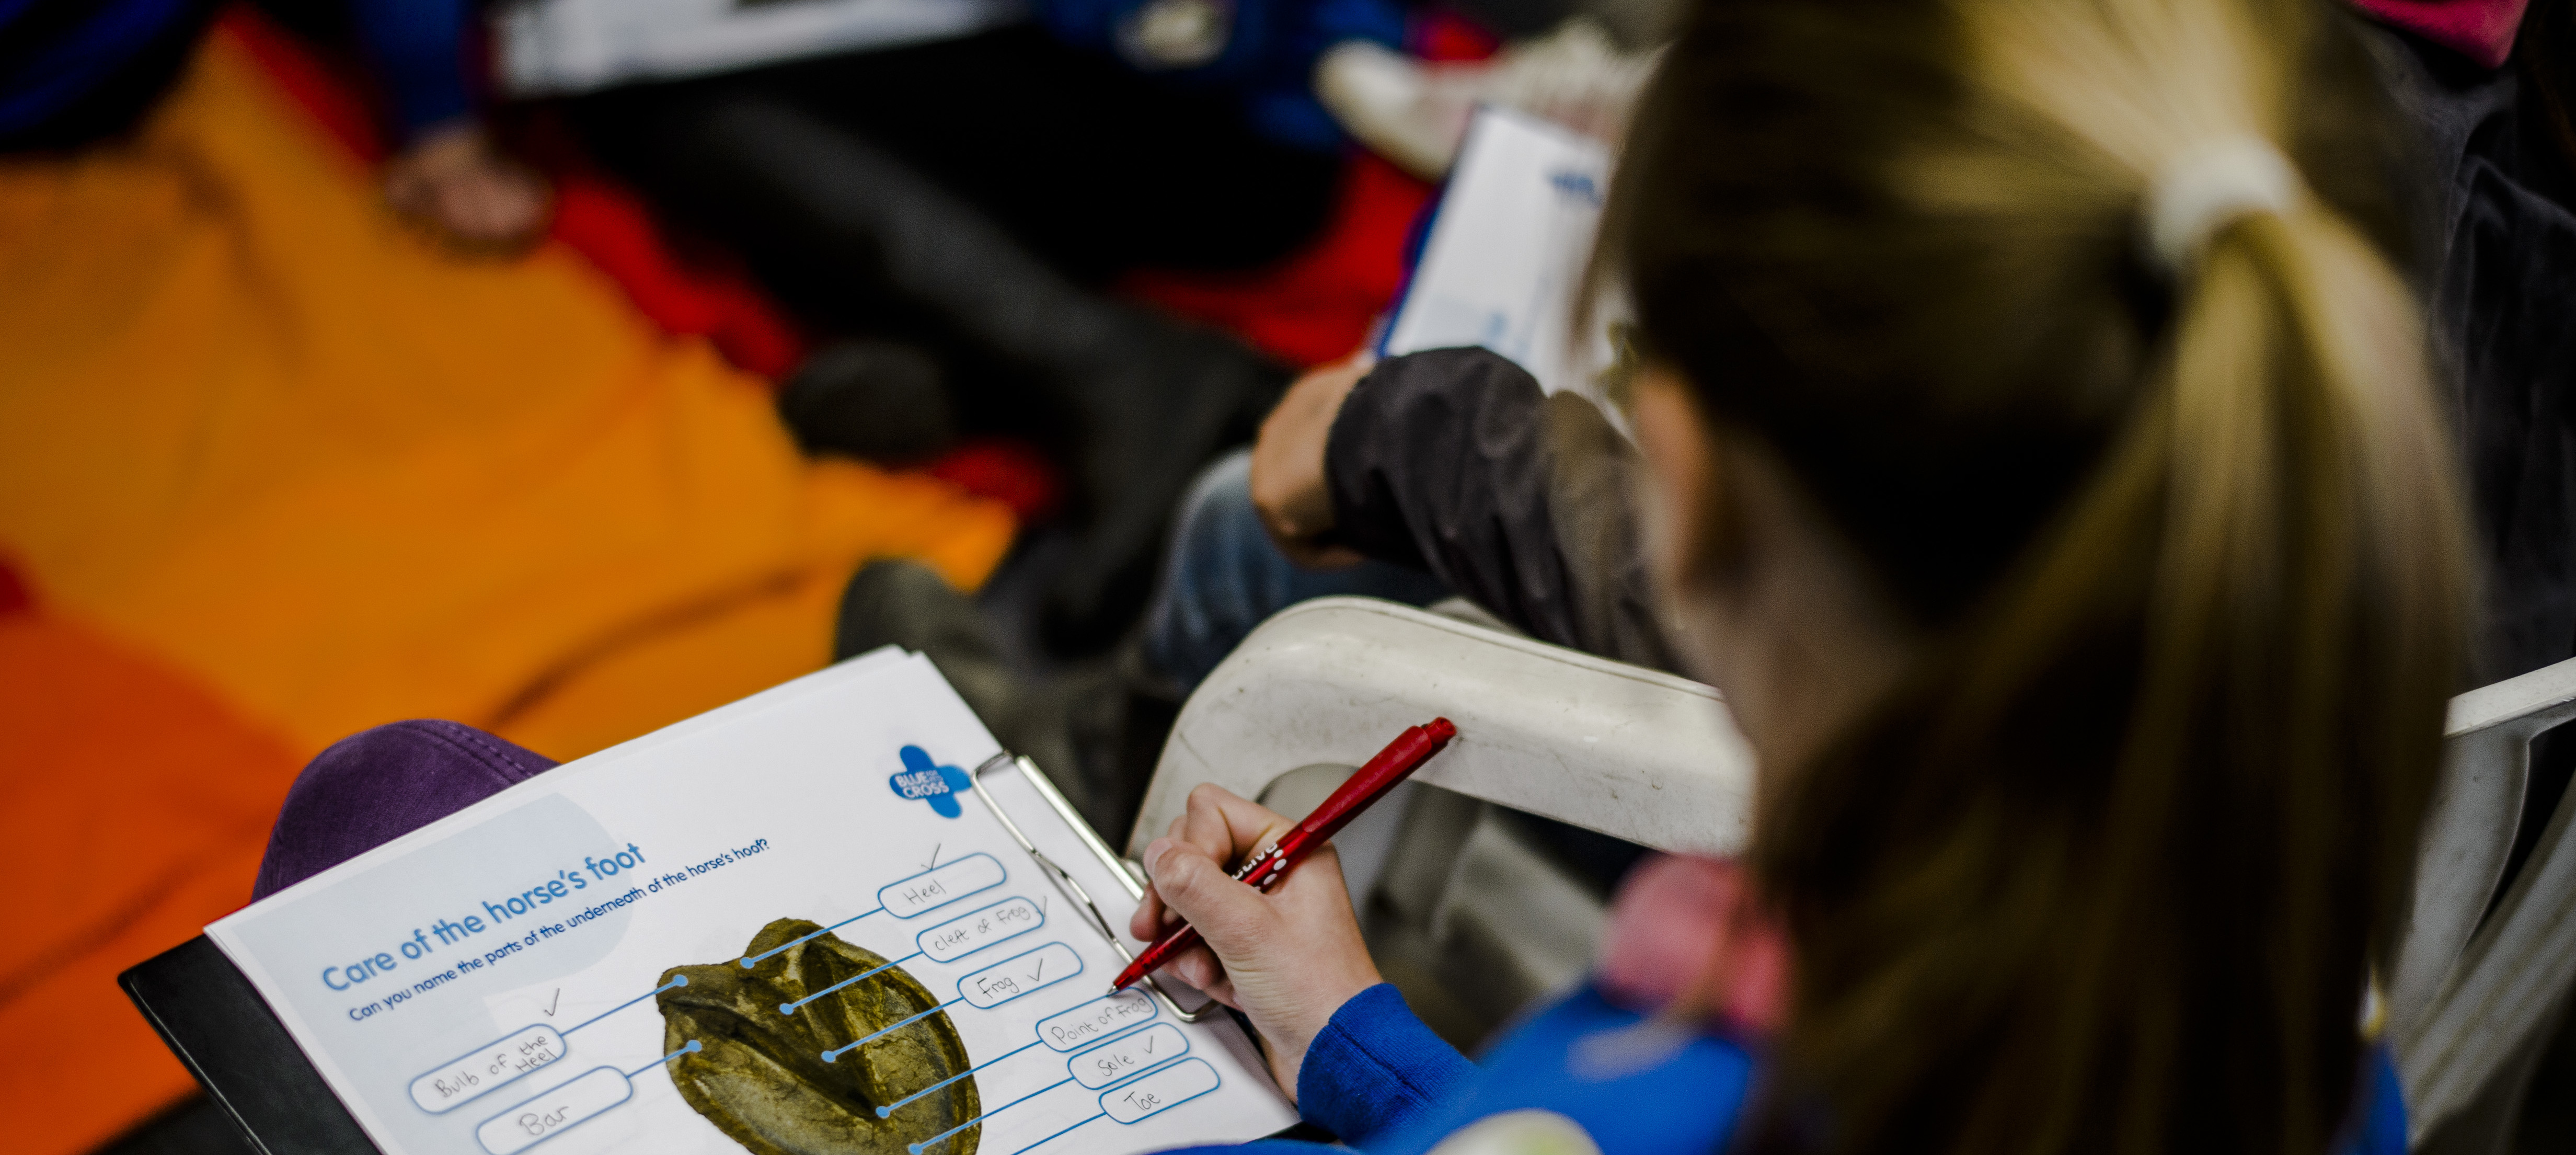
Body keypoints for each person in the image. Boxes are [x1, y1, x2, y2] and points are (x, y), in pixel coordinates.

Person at [246, 3, 2456, 1155]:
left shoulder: (1612, 1098)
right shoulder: (2279, 1000)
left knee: (385, 808)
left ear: (1669, 468)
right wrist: (1352, 1038)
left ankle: (1043, 672)